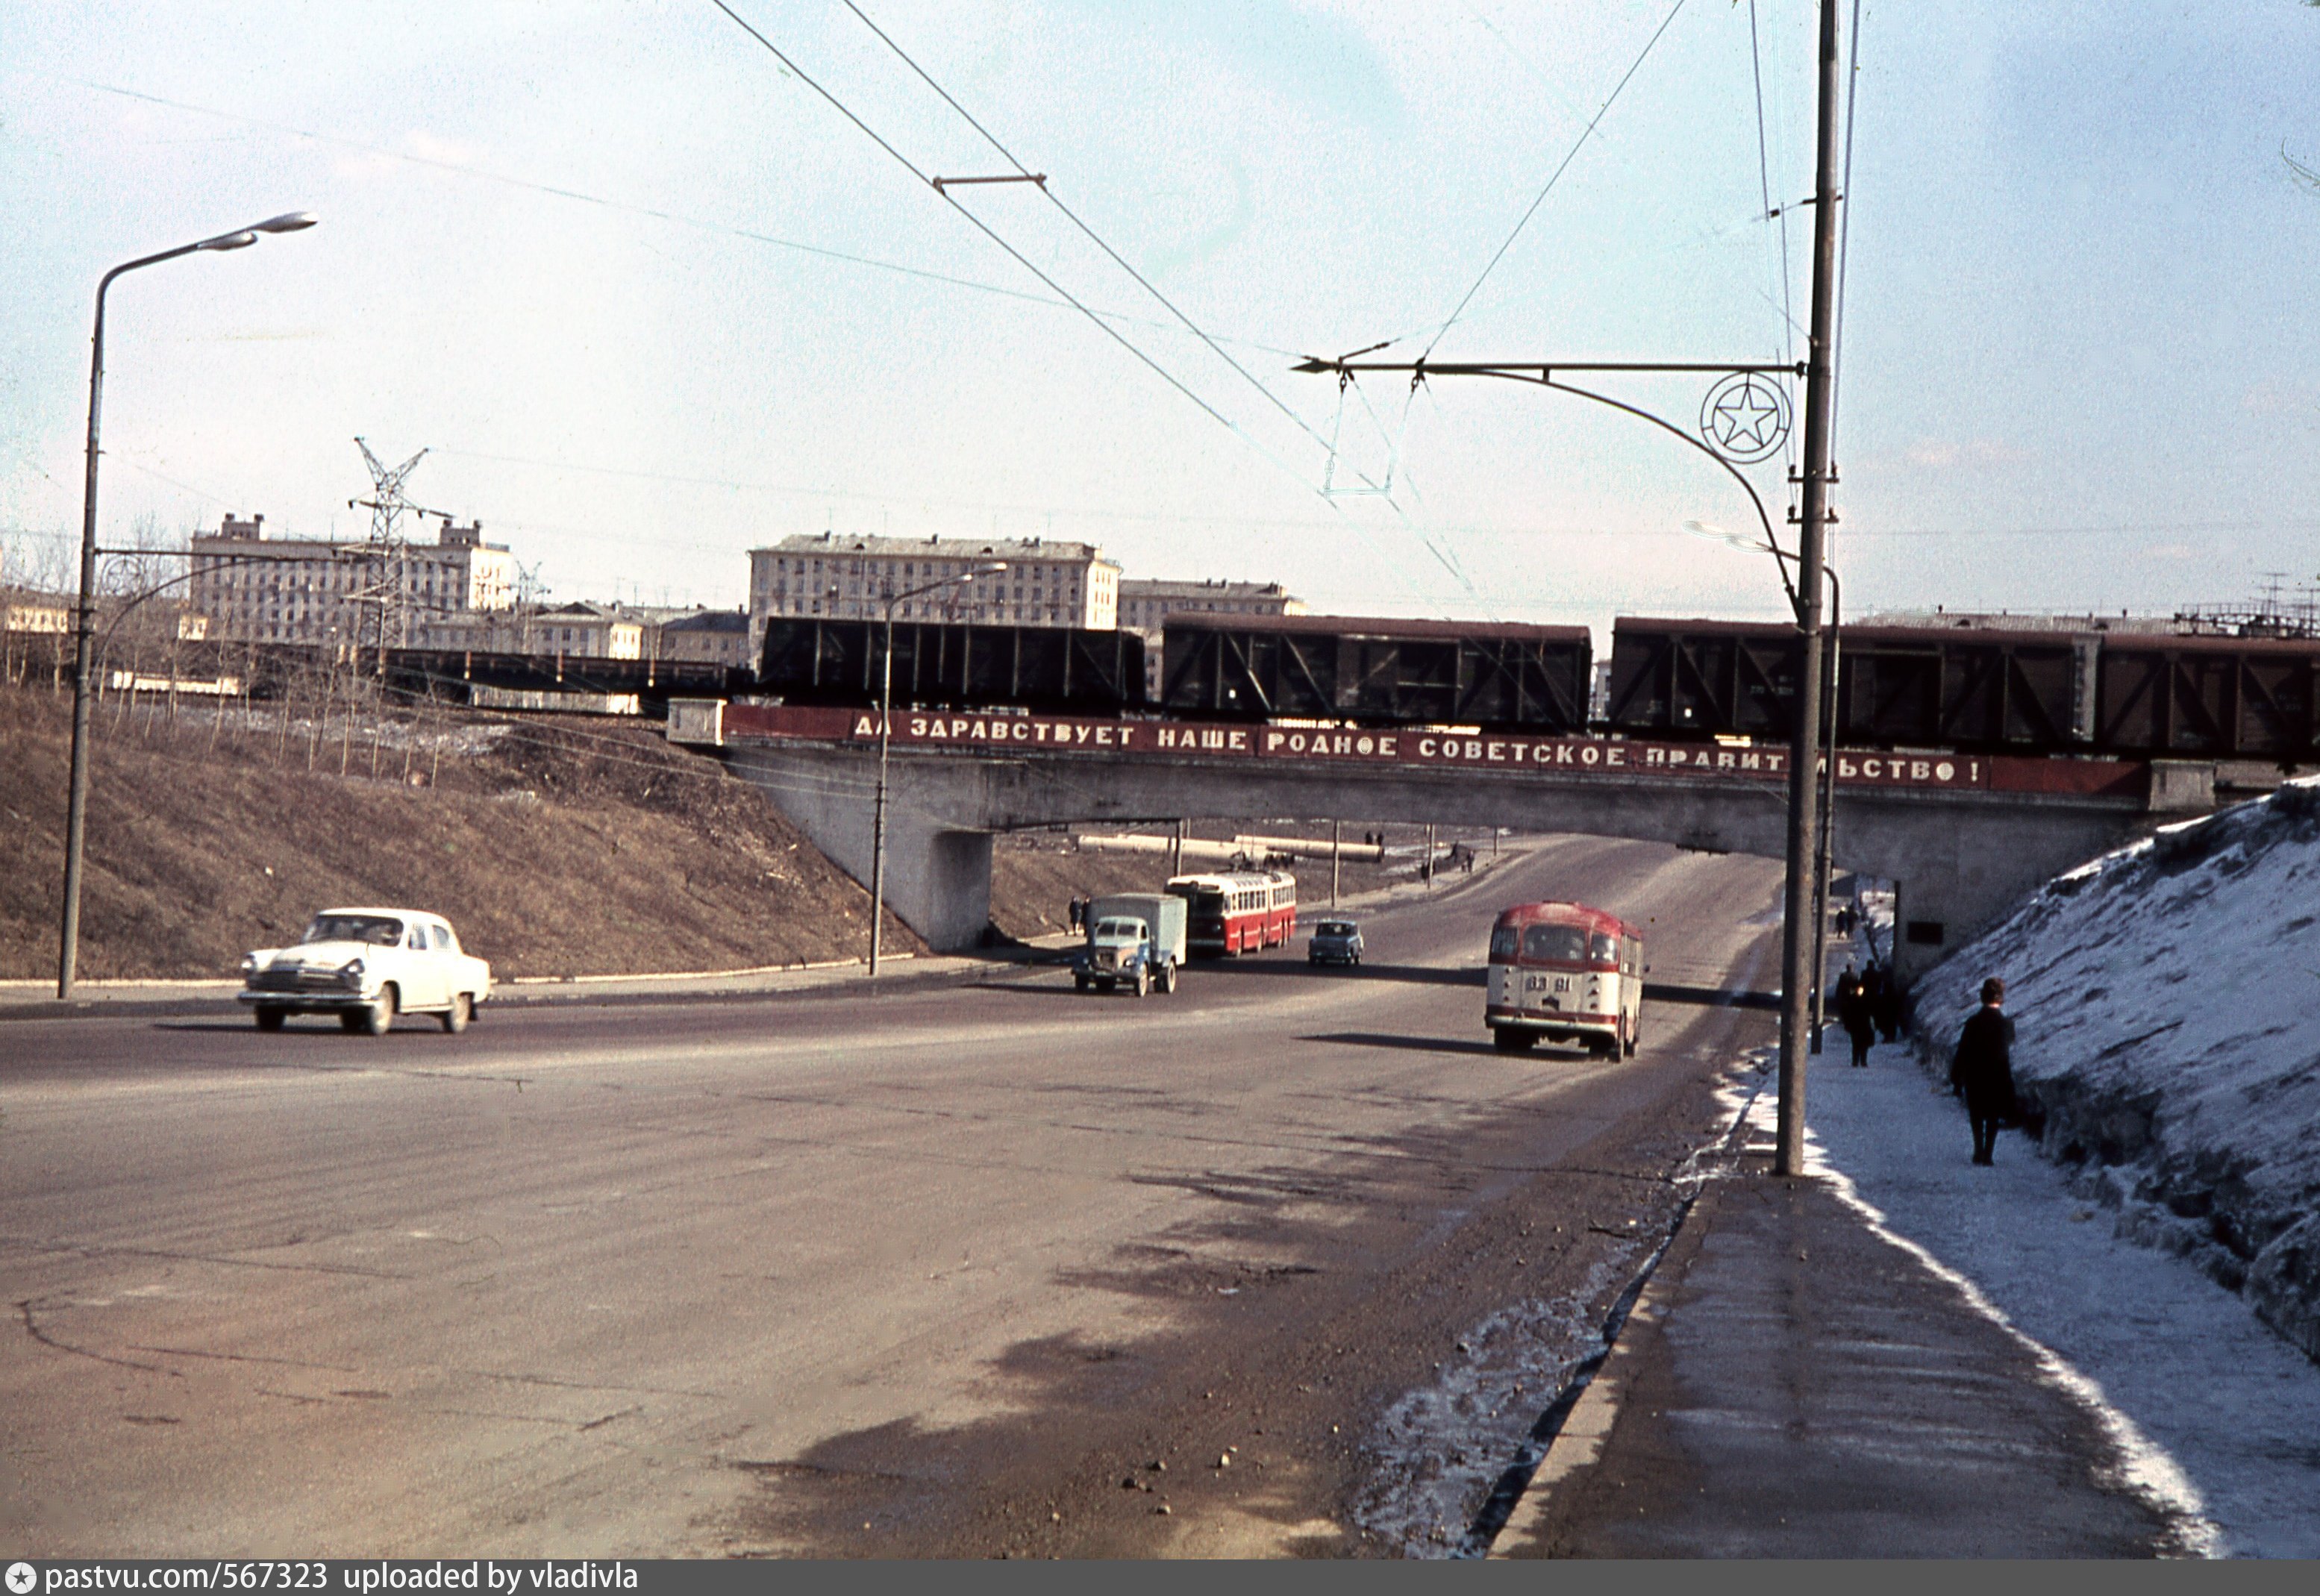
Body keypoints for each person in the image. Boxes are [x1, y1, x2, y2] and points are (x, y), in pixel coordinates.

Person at [1950, 977, 2019, 1165]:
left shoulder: (1973, 1023)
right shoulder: (2006, 1025)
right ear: (2001, 998)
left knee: (1977, 1114)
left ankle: (1978, 1148)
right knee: (1993, 1115)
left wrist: (1956, 1076)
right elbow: (2008, 1051)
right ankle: (1988, 1152)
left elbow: (1963, 1050)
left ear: (1982, 997)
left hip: (1975, 1076)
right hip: (1997, 1076)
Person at [1837, 965, 1875, 1068]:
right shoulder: (1863, 999)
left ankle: (1858, 1061)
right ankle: (1861, 1061)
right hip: (1861, 1025)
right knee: (1861, 1044)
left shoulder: (1852, 1000)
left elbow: (1847, 1011)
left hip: (1857, 1025)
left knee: (1857, 1044)